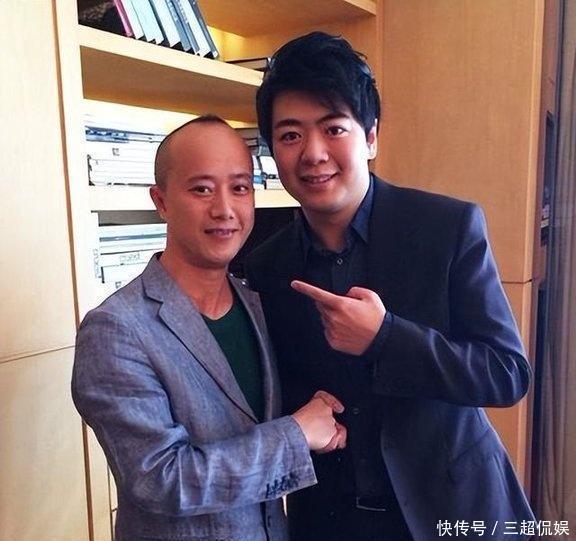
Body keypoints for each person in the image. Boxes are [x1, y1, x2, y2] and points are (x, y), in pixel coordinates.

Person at [245, 32, 535, 541]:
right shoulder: (266, 264)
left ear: (371, 137)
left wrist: (386, 337)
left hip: (455, 509)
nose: (313, 153)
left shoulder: (446, 227)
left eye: (334, 128)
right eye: (290, 136)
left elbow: (506, 374)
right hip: (333, 522)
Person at [72, 116, 347, 541]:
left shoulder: (259, 304)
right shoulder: (116, 330)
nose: (225, 209)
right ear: (161, 201)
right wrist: (296, 435)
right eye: (201, 189)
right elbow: (163, 480)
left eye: (240, 188)